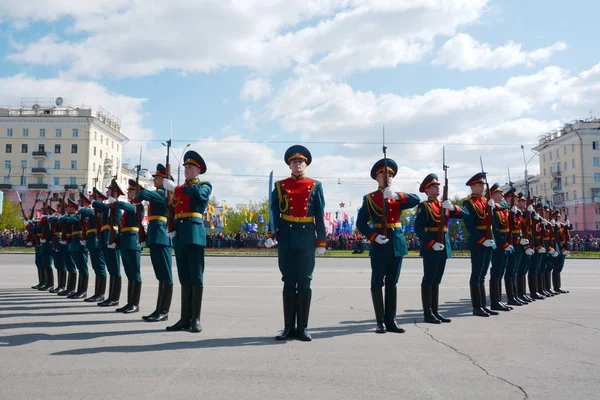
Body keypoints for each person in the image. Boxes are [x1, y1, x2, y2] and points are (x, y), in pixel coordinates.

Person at [267, 145, 326, 342]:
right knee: (288, 281)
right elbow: (274, 212)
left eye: (300, 161)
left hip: (307, 236)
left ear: (306, 164)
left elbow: (319, 214)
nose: (297, 164)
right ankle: (287, 327)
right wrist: (271, 233)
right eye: (294, 162)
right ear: (289, 165)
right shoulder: (280, 185)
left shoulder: (315, 185)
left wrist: (321, 240)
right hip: (286, 236)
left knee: (305, 281)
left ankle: (302, 328)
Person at [356, 158, 420, 333]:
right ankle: (379, 321)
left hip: (396, 244)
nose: (388, 177)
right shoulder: (370, 199)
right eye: (384, 173)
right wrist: (373, 236)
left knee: (393, 283)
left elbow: (416, 199)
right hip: (379, 244)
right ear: (377, 177)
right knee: (377, 282)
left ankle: (391, 320)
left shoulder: (397, 197)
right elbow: (361, 223)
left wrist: (396, 196)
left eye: (391, 174)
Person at [162, 150, 212, 333]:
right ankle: (185, 318)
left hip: (194, 234)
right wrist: (171, 228)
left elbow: (199, 194)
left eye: (190, 167)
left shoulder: (204, 185)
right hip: (181, 234)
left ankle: (195, 319)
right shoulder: (179, 189)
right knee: (184, 278)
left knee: (196, 277)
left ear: (198, 170)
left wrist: (176, 188)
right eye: (186, 167)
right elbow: (172, 209)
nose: (187, 170)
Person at [414, 173, 468, 324]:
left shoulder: (443, 205)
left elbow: (465, 214)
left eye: (438, 186)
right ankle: (427, 313)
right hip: (432, 247)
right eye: (434, 186)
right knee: (429, 279)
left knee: (436, 280)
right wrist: (431, 243)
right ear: (427, 189)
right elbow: (419, 229)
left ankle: (435, 311)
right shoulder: (424, 206)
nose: (437, 188)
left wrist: (453, 207)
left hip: (444, 245)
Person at [135, 164, 173, 322]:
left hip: (161, 237)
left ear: (165, 180)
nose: (154, 180)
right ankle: (159, 309)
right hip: (155, 236)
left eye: (157, 178)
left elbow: (143, 194)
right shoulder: (160, 193)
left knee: (165, 275)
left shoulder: (162, 194)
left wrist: (139, 192)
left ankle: (163, 311)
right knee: (161, 275)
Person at [462, 173, 498, 317]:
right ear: (472, 186)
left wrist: (492, 209)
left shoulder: (485, 201)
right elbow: (469, 226)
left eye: (483, 185)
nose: (483, 187)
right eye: (480, 185)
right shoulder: (468, 203)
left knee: (483, 274)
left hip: (489, 239)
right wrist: (481, 240)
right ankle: (477, 307)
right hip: (478, 242)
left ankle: (483, 305)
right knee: (476, 274)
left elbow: (491, 222)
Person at [112, 179, 144, 313]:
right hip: (125, 242)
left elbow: (127, 207)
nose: (128, 193)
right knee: (129, 274)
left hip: (133, 242)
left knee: (135, 273)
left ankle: (135, 304)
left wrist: (115, 202)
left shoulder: (138, 206)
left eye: (131, 191)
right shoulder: (130, 206)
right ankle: (129, 302)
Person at [94, 181, 123, 307]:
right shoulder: (110, 207)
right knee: (111, 269)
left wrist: (96, 200)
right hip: (106, 238)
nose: (106, 192)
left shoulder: (114, 207)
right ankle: (111, 296)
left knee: (115, 269)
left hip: (112, 239)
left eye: (109, 190)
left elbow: (97, 204)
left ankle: (114, 298)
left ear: (114, 192)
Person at [78, 192, 108, 302]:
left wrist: (82, 209)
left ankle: (100, 293)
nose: (92, 201)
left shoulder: (101, 211)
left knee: (100, 267)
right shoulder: (93, 212)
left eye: (94, 199)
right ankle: (97, 293)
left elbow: (87, 212)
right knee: (96, 268)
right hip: (92, 242)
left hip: (97, 242)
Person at [488, 183, 513, 312]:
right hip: (498, 245)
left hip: (505, 244)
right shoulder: (492, 209)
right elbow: (496, 229)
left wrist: (508, 243)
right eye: (499, 193)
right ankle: (495, 301)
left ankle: (498, 301)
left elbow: (507, 228)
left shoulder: (501, 208)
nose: (502, 195)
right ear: (492, 195)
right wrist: (503, 243)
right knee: (496, 272)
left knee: (500, 272)